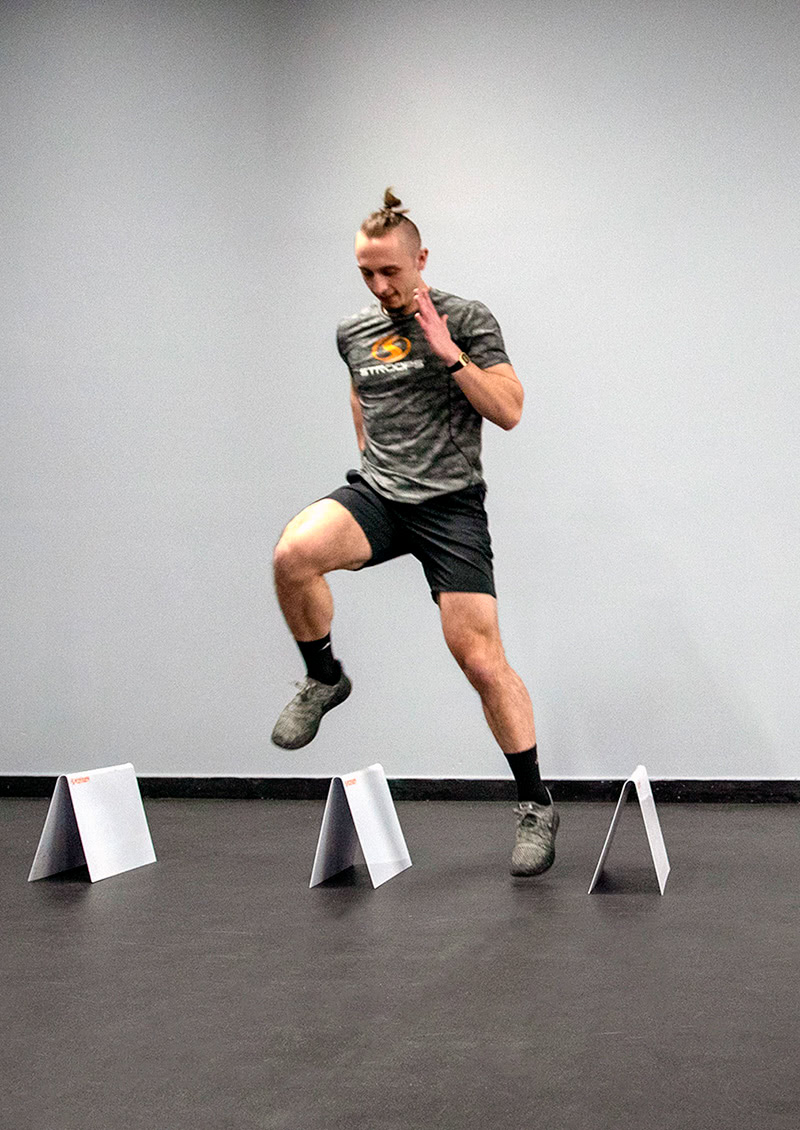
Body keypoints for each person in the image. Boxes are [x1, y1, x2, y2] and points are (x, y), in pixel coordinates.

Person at [271, 188, 558, 877]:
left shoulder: (467, 317)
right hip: (381, 495)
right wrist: (373, 463)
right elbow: (361, 394)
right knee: (293, 554)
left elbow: (511, 410)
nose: (379, 286)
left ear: (419, 259)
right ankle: (323, 678)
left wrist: (448, 352)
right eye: (366, 273)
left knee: (482, 662)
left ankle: (536, 804)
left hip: (450, 508)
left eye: (390, 272)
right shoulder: (353, 332)